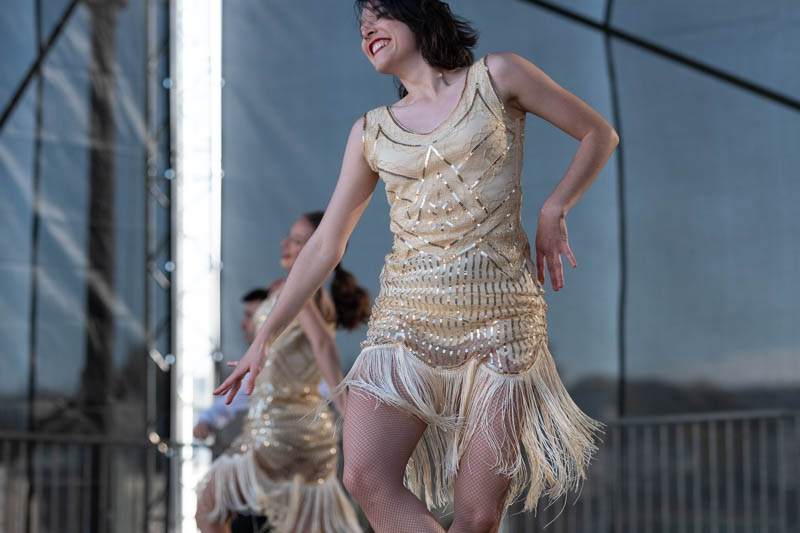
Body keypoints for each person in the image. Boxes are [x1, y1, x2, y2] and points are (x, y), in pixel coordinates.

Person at [216, 1, 619, 531]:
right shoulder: (371, 131)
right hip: (403, 325)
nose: (367, 30)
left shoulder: (498, 76)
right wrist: (265, 335)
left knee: (477, 515)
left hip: (501, 323)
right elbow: (325, 244)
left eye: (378, 16)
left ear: (418, 15)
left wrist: (555, 208)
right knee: (364, 475)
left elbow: (598, 134)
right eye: (361, 27)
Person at [196, 211, 370, 533]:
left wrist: (346, 408)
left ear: (320, 247)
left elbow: (322, 344)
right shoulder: (316, 297)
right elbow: (298, 358)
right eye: (289, 238)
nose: (285, 245)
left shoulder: (298, 291)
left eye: (297, 241)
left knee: (210, 506)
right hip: (312, 434)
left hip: (278, 429)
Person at [194, 288, 269, 450]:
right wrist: (206, 419)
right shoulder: (262, 364)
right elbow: (234, 399)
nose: (243, 324)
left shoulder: (293, 360)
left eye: (250, 316)